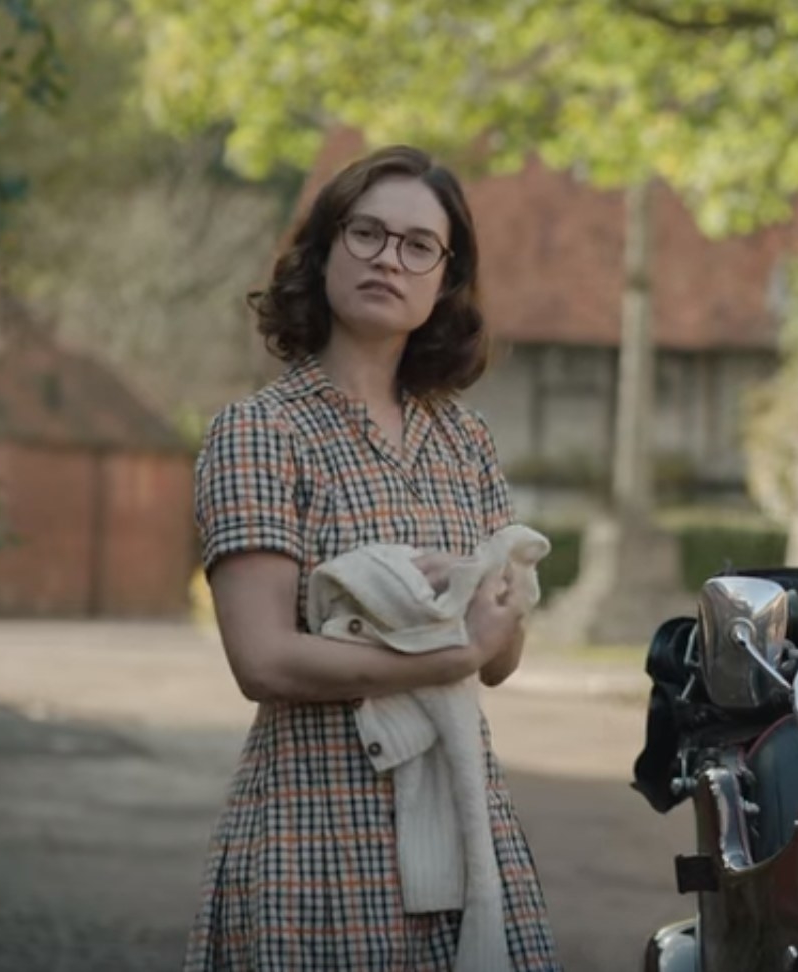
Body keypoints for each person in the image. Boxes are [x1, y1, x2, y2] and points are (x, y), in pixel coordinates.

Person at [185, 144, 561, 971]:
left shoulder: (466, 439)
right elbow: (263, 660)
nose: (390, 258)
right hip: (315, 826)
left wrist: (485, 613)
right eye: (366, 233)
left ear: (444, 279)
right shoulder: (260, 432)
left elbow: (499, 661)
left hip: (465, 825)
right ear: (322, 253)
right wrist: (449, 644)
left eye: (418, 245)